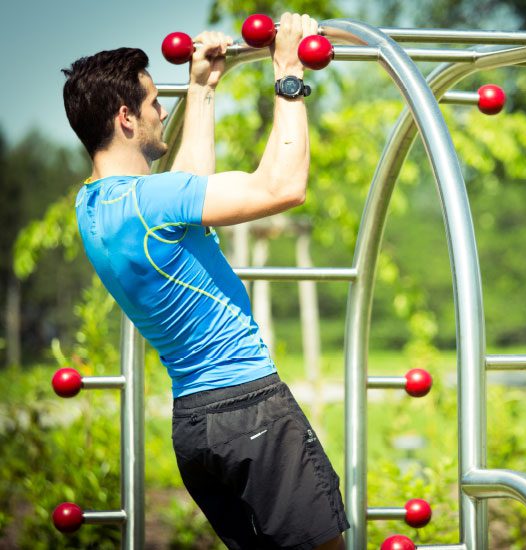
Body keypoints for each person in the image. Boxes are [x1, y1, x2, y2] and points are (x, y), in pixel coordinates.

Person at [62, 13, 349, 550]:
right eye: (154, 103)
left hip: (196, 428)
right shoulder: (152, 201)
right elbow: (284, 187)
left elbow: (184, 192)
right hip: (251, 410)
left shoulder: (93, 207)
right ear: (125, 118)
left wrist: (202, 88)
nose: (162, 111)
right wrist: (288, 73)